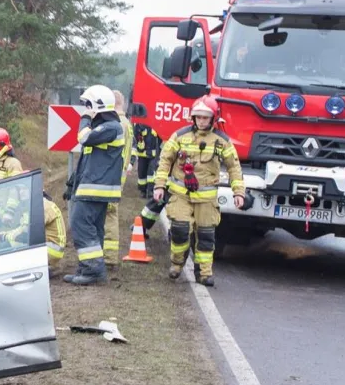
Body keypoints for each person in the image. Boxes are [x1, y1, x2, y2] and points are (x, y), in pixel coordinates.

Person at [152, 96, 245, 286]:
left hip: (207, 200)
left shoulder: (221, 141)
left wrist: (238, 192)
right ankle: (177, 264)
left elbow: (234, 167)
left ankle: (204, 273)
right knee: (179, 230)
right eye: (198, 117)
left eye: (205, 117)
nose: (202, 121)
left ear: (213, 118)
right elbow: (165, 161)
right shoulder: (179, 136)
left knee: (206, 236)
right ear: (193, 118)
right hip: (181, 195)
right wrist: (160, 185)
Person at [63, 84, 125, 286]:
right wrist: (73, 185)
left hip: (96, 188)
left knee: (80, 224)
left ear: (97, 105)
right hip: (92, 187)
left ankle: (93, 270)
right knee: (93, 228)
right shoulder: (104, 128)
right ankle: (88, 267)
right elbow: (88, 162)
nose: (85, 109)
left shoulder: (111, 128)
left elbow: (84, 138)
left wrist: (85, 119)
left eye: (88, 105)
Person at [102, 92, 137, 275]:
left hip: (112, 178)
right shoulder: (126, 124)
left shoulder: (118, 124)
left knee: (109, 216)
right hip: (117, 177)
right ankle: (108, 257)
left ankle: (108, 258)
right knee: (110, 214)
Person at [132, 121, 162, 199]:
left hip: (153, 155)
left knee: (151, 173)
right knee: (141, 173)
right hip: (142, 155)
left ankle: (151, 190)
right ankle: (143, 190)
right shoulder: (139, 124)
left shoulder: (158, 123)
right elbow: (135, 137)